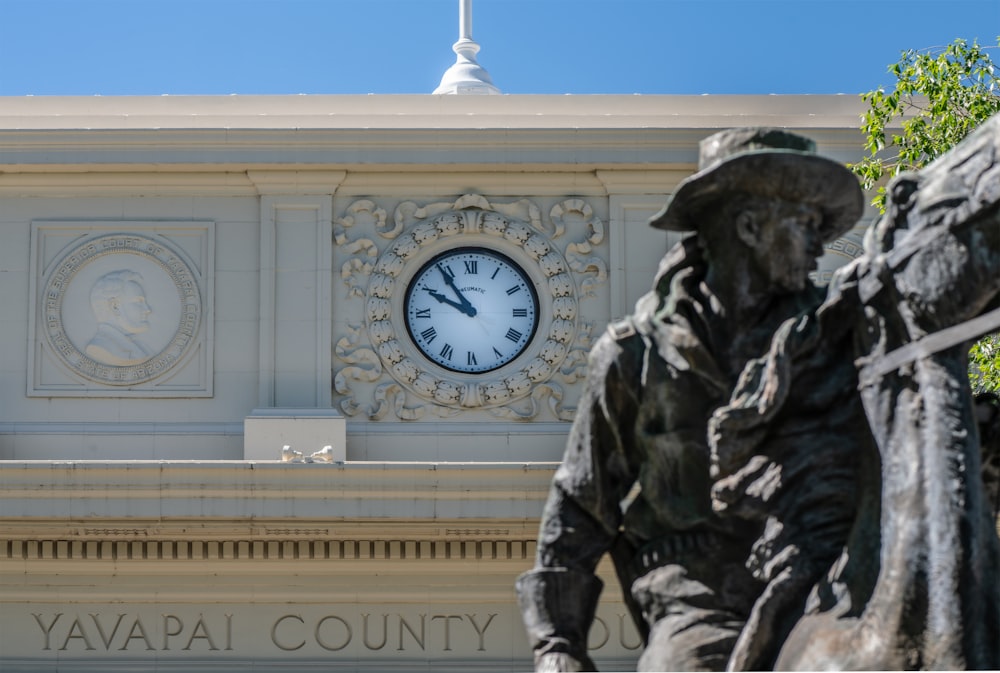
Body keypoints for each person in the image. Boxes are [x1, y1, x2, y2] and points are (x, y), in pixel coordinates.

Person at [516, 128, 863, 672]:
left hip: (832, 583)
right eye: (805, 225)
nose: (819, 246)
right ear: (749, 226)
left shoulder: (841, 337)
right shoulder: (633, 356)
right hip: (700, 596)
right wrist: (556, 645)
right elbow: (581, 507)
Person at [85, 269, 154, 366]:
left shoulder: (142, 347)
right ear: (115, 307)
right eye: (139, 302)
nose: (148, 309)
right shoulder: (101, 347)